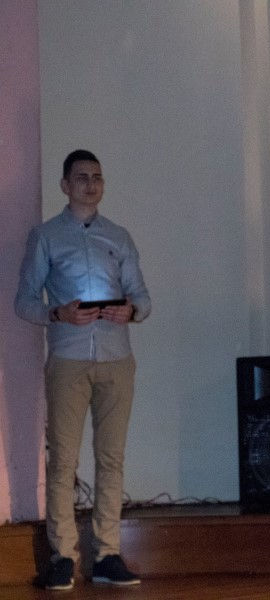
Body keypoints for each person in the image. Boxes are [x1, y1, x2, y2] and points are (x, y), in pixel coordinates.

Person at [15, 150, 150, 590]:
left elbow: (143, 299)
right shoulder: (46, 237)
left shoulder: (119, 237)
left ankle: (107, 554)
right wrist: (58, 314)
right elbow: (24, 301)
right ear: (65, 185)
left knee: (111, 458)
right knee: (63, 460)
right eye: (81, 177)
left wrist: (130, 311)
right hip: (69, 360)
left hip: (116, 359)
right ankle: (62, 558)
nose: (90, 185)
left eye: (97, 177)